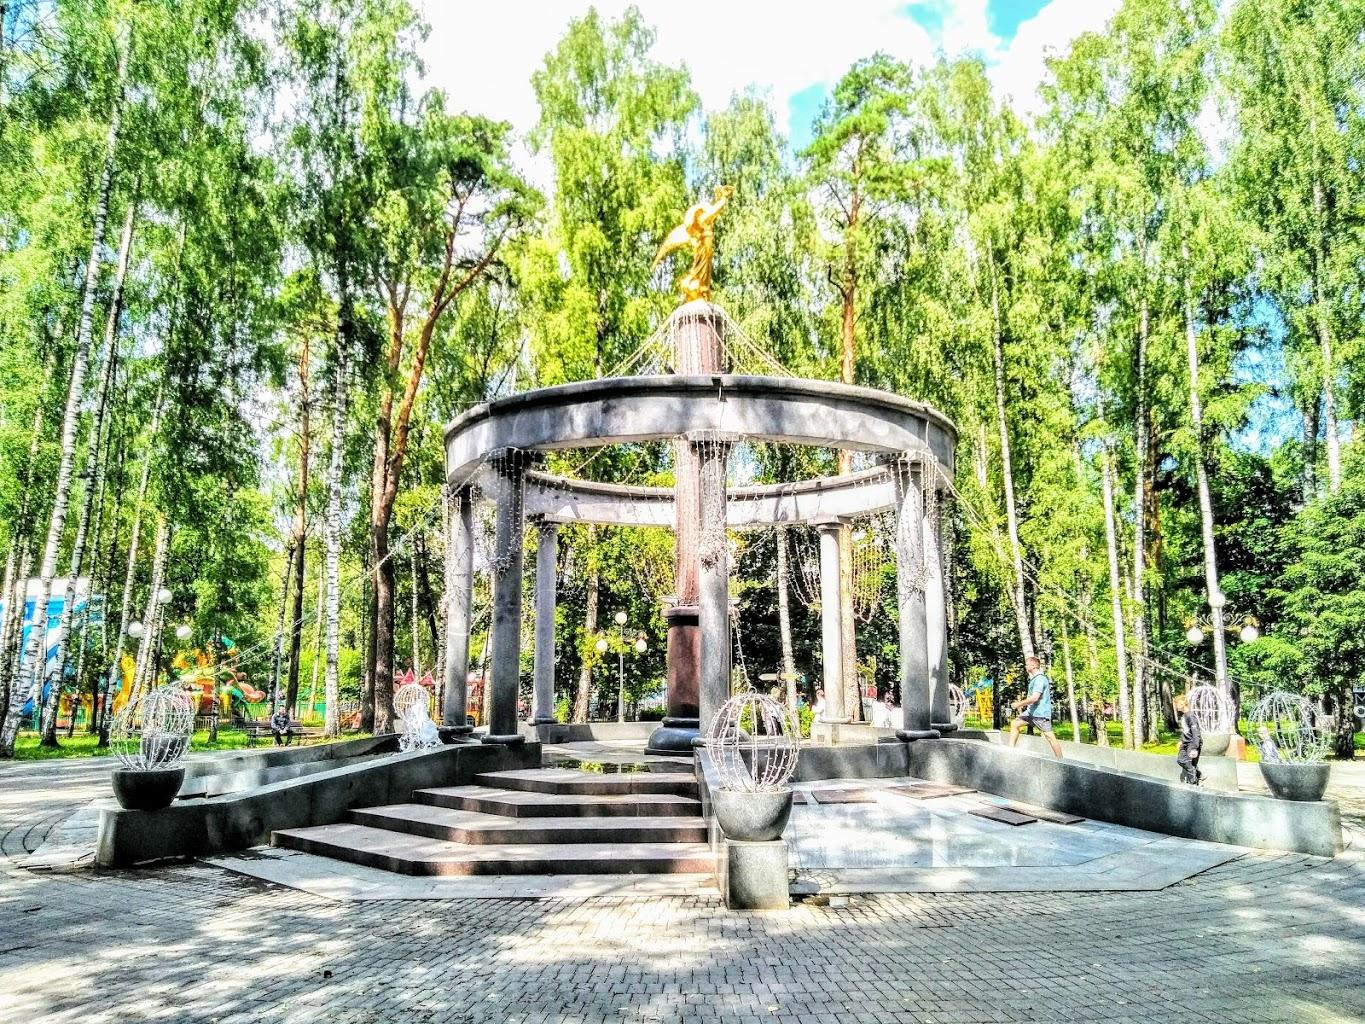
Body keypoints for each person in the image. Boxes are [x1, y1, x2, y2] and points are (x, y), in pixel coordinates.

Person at [1007, 656, 1063, 758]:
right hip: (1031, 713)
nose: (1026, 666)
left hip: (1040, 714)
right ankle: (1010, 751)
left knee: (1050, 737)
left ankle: (1061, 761)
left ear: (1033, 665)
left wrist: (1018, 704)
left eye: (1027, 664)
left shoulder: (1040, 679)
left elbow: (1034, 698)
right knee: (1015, 724)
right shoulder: (1035, 679)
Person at [1174, 693, 1203, 785]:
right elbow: (1185, 731)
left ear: (1182, 703)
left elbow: (1196, 733)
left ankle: (1193, 782)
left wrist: (1195, 747)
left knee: (1189, 764)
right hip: (1185, 743)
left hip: (1192, 743)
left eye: (1176, 704)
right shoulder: (1184, 716)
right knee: (1180, 760)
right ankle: (1197, 774)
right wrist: (1181, 740)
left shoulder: (1190, 716)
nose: (1175, 706)